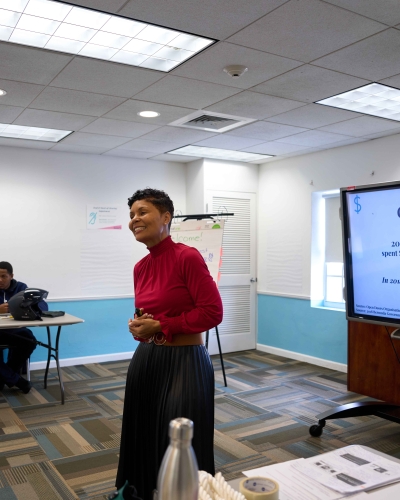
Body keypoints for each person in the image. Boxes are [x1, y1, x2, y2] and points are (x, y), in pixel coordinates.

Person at [115, 189, 223, 500]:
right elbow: (147, 316)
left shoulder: (186, 256)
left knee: (178, 438)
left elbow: (212, 312)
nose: (135, 219)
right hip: (147, 359)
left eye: (142, 212)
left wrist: (162, 325)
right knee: (142, 432)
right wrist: (141, 328)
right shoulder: (141, 267)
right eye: (132, 214)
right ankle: (143, 491)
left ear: (166, 217)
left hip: (185, 361)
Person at [0, 261, 48, 393]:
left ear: (11, 276)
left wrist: (30, 307)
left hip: (13, 330)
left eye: (4, 276)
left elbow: (42, 306)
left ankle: (4, 377)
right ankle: (17, 381)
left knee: (29, 339)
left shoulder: (21, 287)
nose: (0, 280)